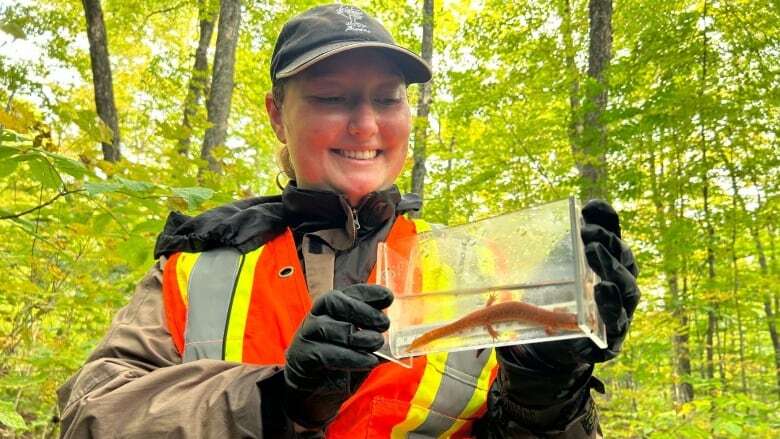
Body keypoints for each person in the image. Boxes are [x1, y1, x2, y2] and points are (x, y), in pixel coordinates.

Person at [57, 4, 639, 438]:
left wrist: (549, 391)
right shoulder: (198, 271)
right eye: (332, 99)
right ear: (277, 117)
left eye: (386, 99)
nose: (365, 125)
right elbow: (89, 416)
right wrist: (279, 398)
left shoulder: (481, 269)